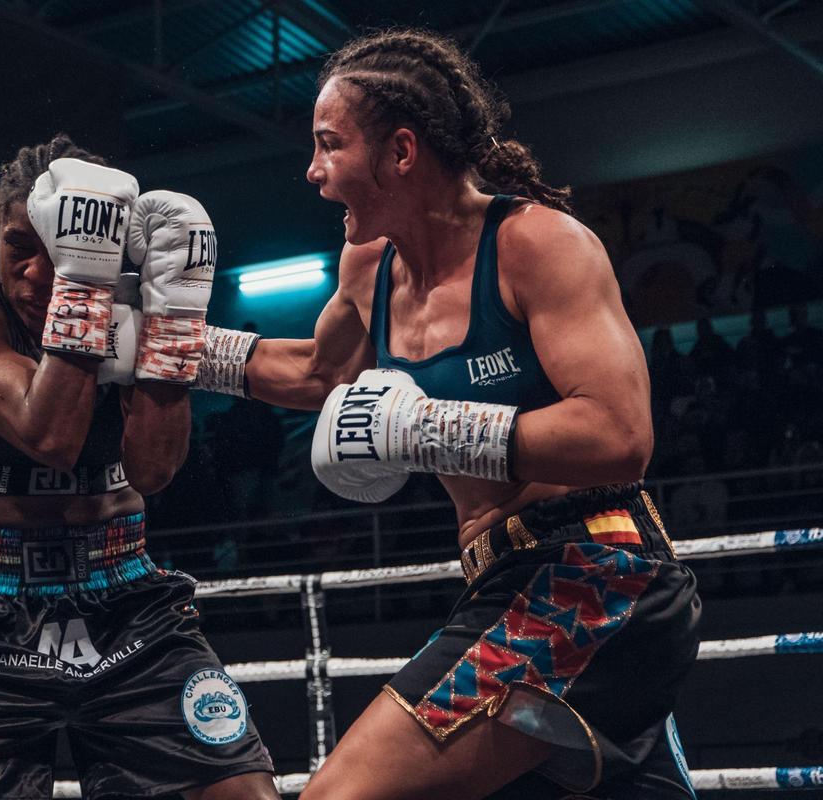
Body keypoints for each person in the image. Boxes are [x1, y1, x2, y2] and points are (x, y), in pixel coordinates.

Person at [191, 29, 701, 799]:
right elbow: (319, 373)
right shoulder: (370, 267)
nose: (314, 172)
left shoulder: (538, 245)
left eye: (330, 146)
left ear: (400, 152)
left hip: (595, 576)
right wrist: (166, 345)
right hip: (506, 585)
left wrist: (431, 426)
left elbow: (619, 435)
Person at [0, 135, 277, 800]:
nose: (35, 272)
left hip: (128, 606)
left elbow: (153, 470)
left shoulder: (133, 314)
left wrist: (170, 318)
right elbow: (51, 435)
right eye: (18, 246)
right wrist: (85, 276)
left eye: (55, 250)